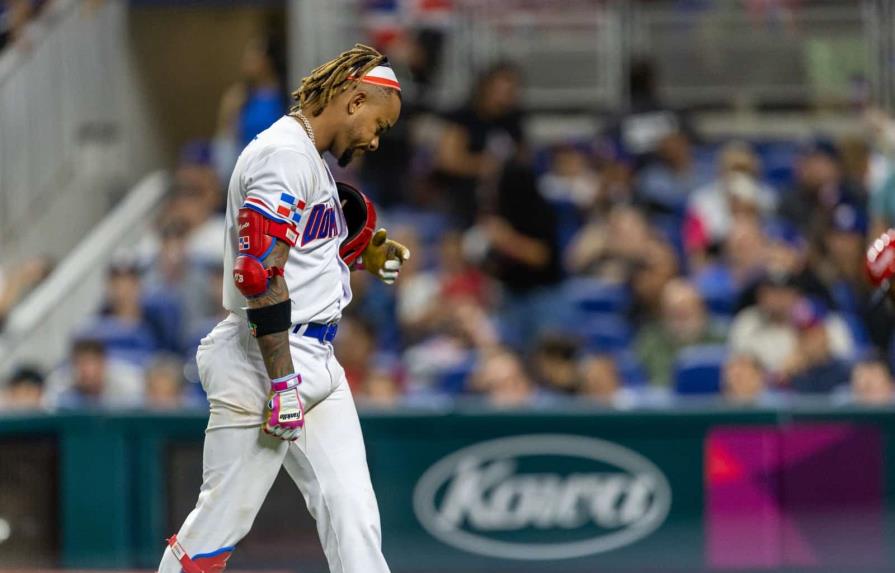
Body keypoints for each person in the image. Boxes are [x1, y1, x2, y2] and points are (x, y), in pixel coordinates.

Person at [158, 44, 409, 573]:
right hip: (264, 360)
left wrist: (358, 254)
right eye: (377, 124)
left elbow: (299, 257)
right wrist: (282, 382)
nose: (375, 139)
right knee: (216, 531)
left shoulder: (305, 157)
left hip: (314, 361)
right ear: (353, 98)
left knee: (354, 518)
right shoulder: (283, 156)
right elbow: (259, 273)